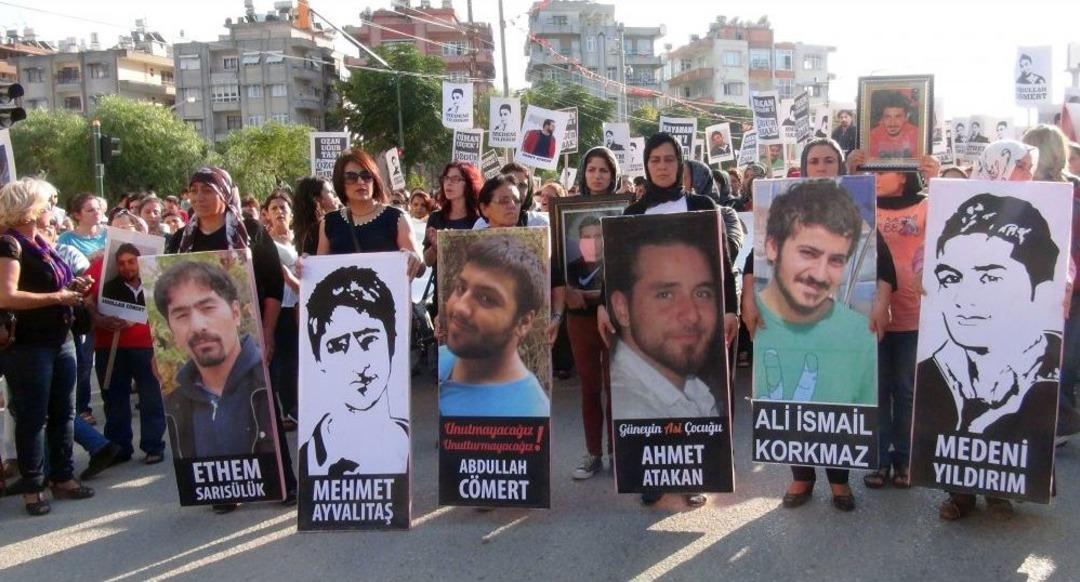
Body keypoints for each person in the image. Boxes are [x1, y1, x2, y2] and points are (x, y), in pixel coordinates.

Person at [741, 138, 896, 512]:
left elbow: (884, 265)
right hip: (784, 327)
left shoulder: (858, 214)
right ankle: (802, 476)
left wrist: (882, 304)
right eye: (815, 161)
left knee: (834, 396)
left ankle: (840, 481)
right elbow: (754, 261)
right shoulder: (789, 208)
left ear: (839, 166)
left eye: (829, 160)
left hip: (840, 329)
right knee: (794, 395)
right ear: (804, 167)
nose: (822, 166)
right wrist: (747, 299)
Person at [597, 132, 739, 507]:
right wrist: (601, 303)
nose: (662, 167)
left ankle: (694, 475)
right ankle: (653, 477)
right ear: (646, 165)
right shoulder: (633, 213)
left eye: (669, 160)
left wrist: (731, 308)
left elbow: (721, 262)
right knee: (654, 394)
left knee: (694, 399)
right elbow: (615, 268)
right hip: (652, 329)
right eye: (655, 160)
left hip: (698, 325)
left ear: (681, 164)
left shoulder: (701, 204)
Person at [918, 194, 1059, 521]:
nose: (964, 299)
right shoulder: (931, 373)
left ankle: (1002, 492)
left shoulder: (1047, 377)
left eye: (990, 277)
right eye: (951, 278)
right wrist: (919, 274)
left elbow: (1066, 268)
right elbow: (919, 263)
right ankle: (959, 494)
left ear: (1038, 288)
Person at [166, 166, 295, 512]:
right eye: (193, 191)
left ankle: (280, 482)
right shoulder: (178, 241)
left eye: (207, 190)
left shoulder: (250, 231)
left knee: (261, 406)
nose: (199, 198)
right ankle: (223, 487)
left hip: (246, 336)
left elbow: (272, 287)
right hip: (202, 342)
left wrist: (267, 332)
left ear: (224, 193)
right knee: (210, 409)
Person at [0, 178, 95, 516]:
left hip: (60, 338)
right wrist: (59, 296)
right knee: (32, 417)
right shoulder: (9, 243)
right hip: (28, 345)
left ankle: (63, 477)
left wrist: (73, 287)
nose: (52, 211)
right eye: (48, 203)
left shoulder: (41, 242)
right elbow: (6, 296)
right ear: (30, 207)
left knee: (64, 413)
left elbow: (52, 282)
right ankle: (33, 487)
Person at [154, 260, 277, 457]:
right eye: (182, 315)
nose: (197, 325)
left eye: (207, 308)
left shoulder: (271, 381)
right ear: (171, 332)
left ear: (235, 313)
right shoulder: (175, 403)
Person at [607, 223, 724, 421]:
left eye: (702, 293)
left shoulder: (695, 391)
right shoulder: (631, 411)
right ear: (622, 309)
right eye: (665, 295)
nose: (692, 315)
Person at [302, 265, 409, 475]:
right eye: (338, 346)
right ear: (318, 359)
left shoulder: (406, 442)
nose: (359, 363)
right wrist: (307, 270)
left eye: (368, 340)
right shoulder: (308, 459)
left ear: (392, 341)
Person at [84, 210, 166, 469]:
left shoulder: (156, 265)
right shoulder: (98, 265)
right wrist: (98, 319)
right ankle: (118, 446)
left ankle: (153, 445)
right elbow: (86, 300)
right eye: (117, 229)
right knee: (114, 398)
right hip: (110, 344)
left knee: (152, 396)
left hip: (147, 344)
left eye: (129, 228)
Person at [438, 233, 551, 417]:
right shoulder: (442, 358)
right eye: (461, 288)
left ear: (524, 322)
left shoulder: (529, 415)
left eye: (486, 299)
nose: (460, 308)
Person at [564, 147, 621, 480]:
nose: (597, 175)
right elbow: (558, 271)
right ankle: (592, 453)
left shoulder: (623, 211)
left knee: (616, 386)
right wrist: (565, 295)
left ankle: (617, 451)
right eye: (591, 169)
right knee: (589, 386)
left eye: (604, 170)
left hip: (614, 318)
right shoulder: (572, 263)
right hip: (580, 321)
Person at [1022, 125, 1080, 445]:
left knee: (1055, 360)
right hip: (1040, 287)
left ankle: (1055, 424)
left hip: (1063, 289)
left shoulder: (1070, 193)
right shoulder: (1020, 190)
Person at [317, 148, 424, 281]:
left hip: (387, 300)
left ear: (374, 179)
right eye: (351, 177)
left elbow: (419, 266)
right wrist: (305, 266)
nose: (360, 182)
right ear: (340, 182)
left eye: (366, 175)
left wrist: (414, 258)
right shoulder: (329, 223)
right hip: (343, 300)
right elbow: (319, 273)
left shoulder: (396, 218)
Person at [57, 192, 106, 426]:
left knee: (108, 355)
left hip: (107, 299)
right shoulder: (66, 239)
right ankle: (82, 407)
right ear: (77, 215)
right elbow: (62, 267)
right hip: (83, 305)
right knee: (84, 360)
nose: (97, 213)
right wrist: (90, 257)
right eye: (90, 210)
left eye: (99, 208)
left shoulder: (109, 234)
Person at [264, 190, 300, 426]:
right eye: (274, 208)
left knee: (298, 363)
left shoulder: (302, 239)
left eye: (283, 207)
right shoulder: (264, 244)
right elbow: (281, 278)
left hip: (301, 308)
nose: (279, 212)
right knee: (279, 363)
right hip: (279, 309)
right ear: (266, 214)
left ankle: (296, 409)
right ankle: (281, 413)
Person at [867, 91, 919, 160]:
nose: (892, 123)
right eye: (888, 117)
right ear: (882, 119)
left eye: (898, 116)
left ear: (906, 117)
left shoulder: (917, 134)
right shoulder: (872, 136)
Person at [293, 176, 335, 256]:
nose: (334, 195)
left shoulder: (304, 230)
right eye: (330, 192)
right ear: (316, 199)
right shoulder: (315, 230)